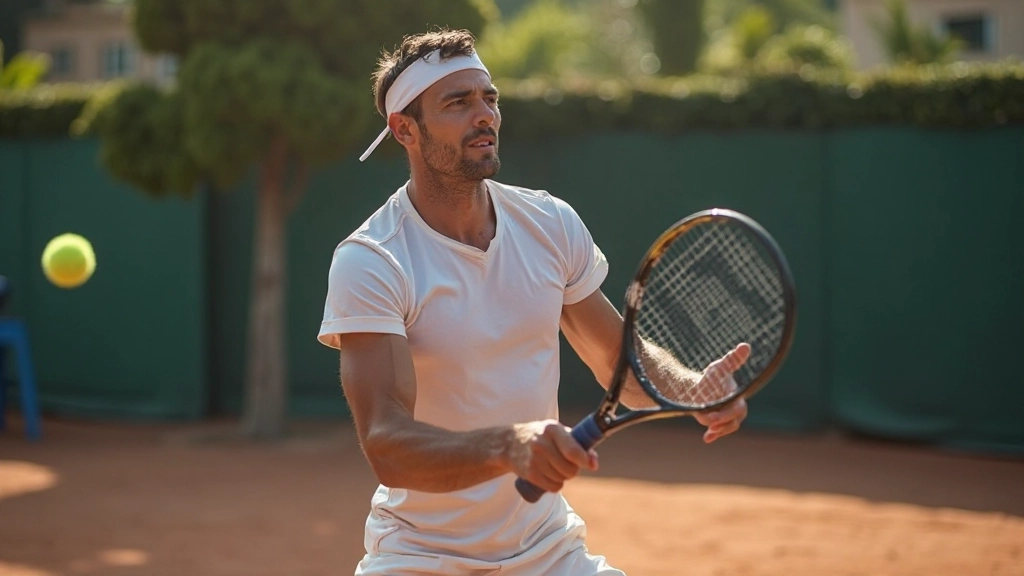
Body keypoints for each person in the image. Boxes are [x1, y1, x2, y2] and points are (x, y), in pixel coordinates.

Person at [317, 28, 751, 576]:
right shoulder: (372, 259)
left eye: (489, 98)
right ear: (405, 129)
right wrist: (508, 446)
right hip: (419, 558)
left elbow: (621, 365)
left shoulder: (549, 223)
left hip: (549, 554)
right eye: (458, 103)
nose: (485, 116)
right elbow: (386, 443)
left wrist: (691, 388)